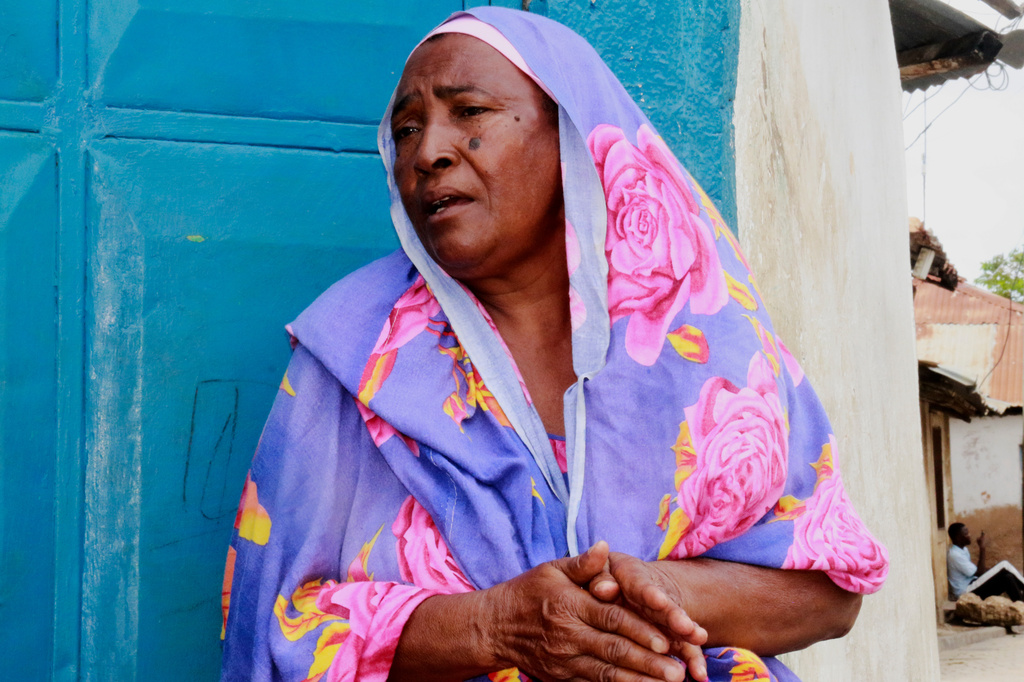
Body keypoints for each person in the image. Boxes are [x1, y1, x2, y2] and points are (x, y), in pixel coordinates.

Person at [220, 9, 889, 682]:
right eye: (406, 130)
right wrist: (494, 628)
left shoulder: (708, 330)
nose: (427, 153)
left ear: (569, 134)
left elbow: (829, 590)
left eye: (470, 112)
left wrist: (655, 595)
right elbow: (273, 622)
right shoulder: (355, 356)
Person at [947, 522, 1024, 602]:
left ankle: (1021, 606)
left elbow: (978, 572)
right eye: (966, 533)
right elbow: (980, 572)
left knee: (1007, 577)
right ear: (958, 538)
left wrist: (994, 572)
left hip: (973, 583)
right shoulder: (955, 555)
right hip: (966, 591)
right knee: (1004, 564)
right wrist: (982, 548)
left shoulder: (963, 549)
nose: (969, 535)